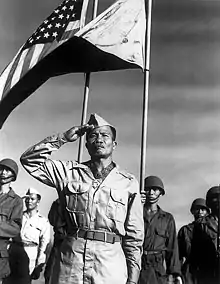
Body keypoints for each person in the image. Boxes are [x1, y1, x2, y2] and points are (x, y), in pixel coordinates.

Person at [20, 113, 144, 284]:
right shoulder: (69, 173)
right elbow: (29, 161)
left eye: (104, 135)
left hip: (110, 265)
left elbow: (134, 238)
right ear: (86, 145)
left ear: (114, 145)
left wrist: (133, 278)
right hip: (70, 262)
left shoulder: (128, 183)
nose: (99, 139)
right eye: (93, 136)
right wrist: (63, 138)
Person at [139, 175, 182, 284]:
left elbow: (172, 247)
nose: (151, 193)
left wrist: (175, 273)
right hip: (137, 265)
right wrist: (135, 204)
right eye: (148, 189)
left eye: (155, 189)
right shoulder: (136, 213)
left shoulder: (167, 218)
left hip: (157, 269)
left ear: (161, 192)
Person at [6, 187, 50, 284]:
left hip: (30, 252)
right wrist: (18, 199)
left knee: (24, 281)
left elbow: (44, 244)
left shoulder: (43, 221)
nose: (29, 201)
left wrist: (39, 264)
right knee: (8, 279)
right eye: (27, 199)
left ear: (38, 202)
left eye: (32, 199)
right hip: (13, 249)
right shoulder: (17, 215)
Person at [0, 158, 23, 284]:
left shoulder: (16, 201)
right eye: (1, 169)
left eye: (7, 170)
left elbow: (15, 229)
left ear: (13, 175)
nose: (3, 172)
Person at [191, 186, 220, 284]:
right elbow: (196, 255)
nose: (218, 201)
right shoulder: (201, 224)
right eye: (214, 197)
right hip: (208, 273)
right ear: (209, 203)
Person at [178, 198, 210, 284]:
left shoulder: (212, 231)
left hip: (208, 269)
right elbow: (179, 255)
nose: (200, 212)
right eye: (197, 209)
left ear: (207, 212)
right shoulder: (185, 230)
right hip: (189, 271)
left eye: (203, 209)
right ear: (192, 211)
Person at [44, 198, 66, 284]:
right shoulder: (57, 203)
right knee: (50, 272)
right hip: (59, 241)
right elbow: (52, 220)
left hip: (72, 242)